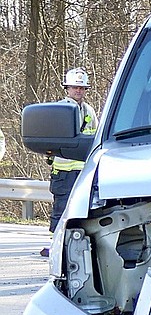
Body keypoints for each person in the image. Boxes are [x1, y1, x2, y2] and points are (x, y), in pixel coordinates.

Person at [43, 67, 97, 256]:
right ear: (67, 88)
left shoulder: (89, 111)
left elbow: (96, 137)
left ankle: (78, 248)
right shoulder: (59, 110)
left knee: (85, 210)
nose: (78, 91)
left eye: (81, 88)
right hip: (63, 172)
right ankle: (56, 247)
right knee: (60, 209)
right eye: (75, 87)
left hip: (84, 171)